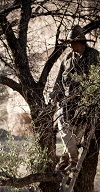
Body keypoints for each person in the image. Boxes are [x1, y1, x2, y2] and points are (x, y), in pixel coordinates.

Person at [50, 25, 99, 172]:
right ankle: (72, 159)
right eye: (69, 43)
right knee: (63, 126)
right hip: (67, 102)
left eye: (73, 42)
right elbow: (59, 80)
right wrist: (54, 94)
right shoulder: (67, 59)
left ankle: (66, 158)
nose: (70, 46)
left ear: (81, 42)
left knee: (76, 134)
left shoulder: (94, 56)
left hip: (86, 104)